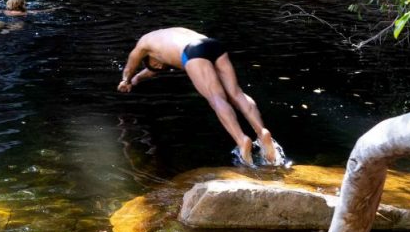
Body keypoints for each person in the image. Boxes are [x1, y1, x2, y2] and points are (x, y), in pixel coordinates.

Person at [118, 26, 286, 167]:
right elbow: (150, 71)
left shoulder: (143, 43)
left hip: (192, 52)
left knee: (216, 98)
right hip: (212, 45)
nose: (159, 67)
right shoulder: (167, 36)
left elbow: (129, 65)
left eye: (155, 64)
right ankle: (262, 132)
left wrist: (125, 80)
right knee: (236, 93)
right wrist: (136, 79)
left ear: (149, 57)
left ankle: (242, 140)